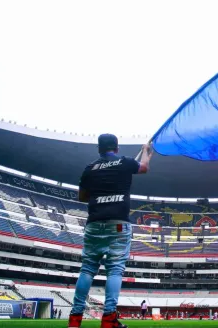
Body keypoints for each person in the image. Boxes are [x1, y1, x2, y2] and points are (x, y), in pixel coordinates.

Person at [68, 134, 153, 328]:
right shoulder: (125, 162)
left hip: (95, 223)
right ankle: (108, 319)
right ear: (117, 147)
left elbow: (82, 197)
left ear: (99, 149)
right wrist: (147, 152)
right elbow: (145, 167)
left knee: (88, 268)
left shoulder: (90, 168)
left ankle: (74, 320)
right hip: (118, 224)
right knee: (115, 270)